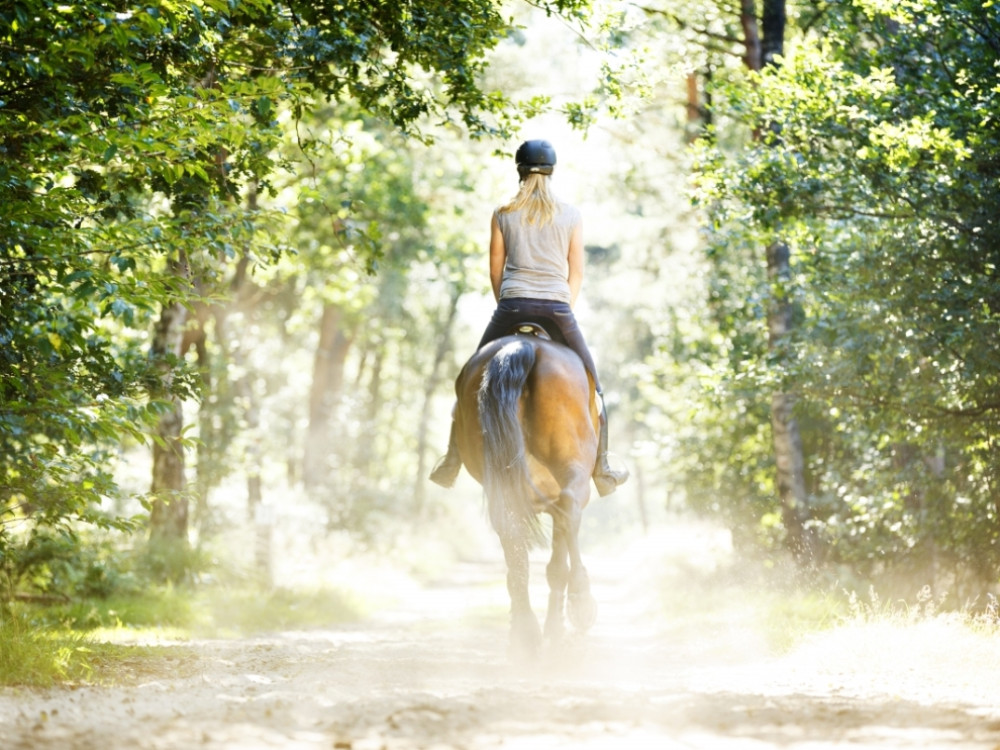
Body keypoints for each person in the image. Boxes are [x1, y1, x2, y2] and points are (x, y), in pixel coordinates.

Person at [430, 139, 628, 496]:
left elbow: (496, 270)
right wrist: (562, 305)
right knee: (594, 388)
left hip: (512, 305)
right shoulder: (570, 215)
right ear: (552, 171)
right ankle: (603, 466)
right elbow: (577, 273)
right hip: (556, 309)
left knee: (465, 382)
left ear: (519, 169)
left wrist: (507, 303)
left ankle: (451, 459)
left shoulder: (503, 213)